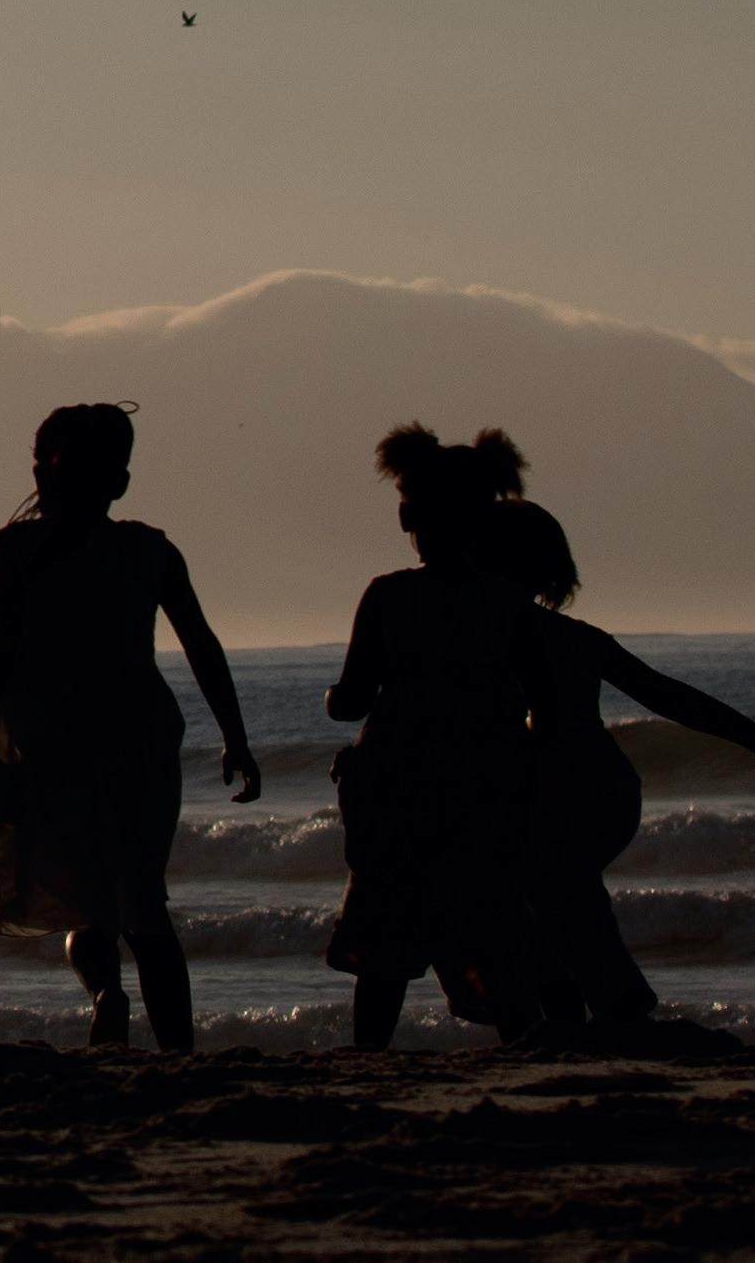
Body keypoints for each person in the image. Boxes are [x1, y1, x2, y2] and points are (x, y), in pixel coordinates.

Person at [0, 402, 259, 1052]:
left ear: (44, 474)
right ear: (119, 483)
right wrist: (235, 737)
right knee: (142, 900)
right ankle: (177, 1052)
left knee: (83, 898)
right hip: (139, 740)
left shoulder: (19, 550)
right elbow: (202, 646)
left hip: (54, 740)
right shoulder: (149, 550)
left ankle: (106, 996)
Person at [485, 489, 755, 1031]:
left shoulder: (495, 638)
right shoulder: (577, 638)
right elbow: (667, 694)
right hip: (605, 785)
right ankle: (580, 1017)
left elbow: (666, 695)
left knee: (552, 891)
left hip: (566, 785)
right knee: (548, 898)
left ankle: (619, 1004)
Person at [323, 424, 545, 1048]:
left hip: (399, 787)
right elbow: (537, 698)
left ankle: (371, 1052)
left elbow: (351, 701)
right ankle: (522, 1043)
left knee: (387, 934)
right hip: (485, 785)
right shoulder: (506, 603)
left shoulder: (389, 597)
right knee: (492, 923)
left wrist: (333, 698)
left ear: (410, 517)